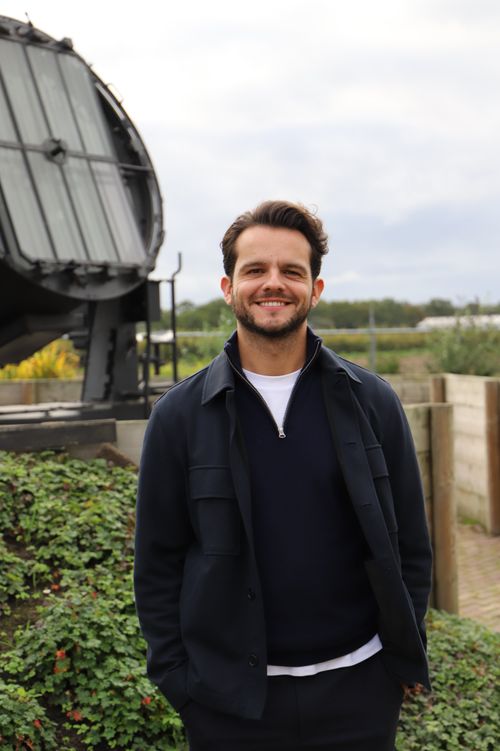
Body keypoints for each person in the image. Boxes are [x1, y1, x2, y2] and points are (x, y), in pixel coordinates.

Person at [134, 200, 432, 751]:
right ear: (229, 288)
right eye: (255, 269)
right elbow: (157, 564)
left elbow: (410, 544)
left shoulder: (373, 403)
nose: (273, 283)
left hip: (360, 696)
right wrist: (181, 685)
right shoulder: (178, 417)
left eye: (291, 271)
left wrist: (398, 662)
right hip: (229, 709)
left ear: (315, 290)